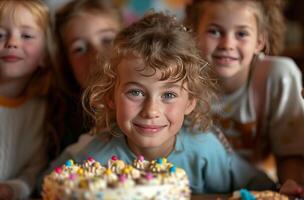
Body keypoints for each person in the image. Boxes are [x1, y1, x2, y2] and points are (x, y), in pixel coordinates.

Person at [47, 11, 277, 194]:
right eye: (135, 93)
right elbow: (46, 185)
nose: (151, 111)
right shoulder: (94, 157)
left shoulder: (205, 151)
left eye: (168, 95)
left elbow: (260, 185)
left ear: (190, 102)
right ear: (110, 97)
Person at [185, 0, 304, 196]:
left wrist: (291, 187)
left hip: (257, 188)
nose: (227, 44)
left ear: (260, 42)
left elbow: (290, 153)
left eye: (241, 34)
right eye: (214, 31)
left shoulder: (277, 76)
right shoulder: (179, 77)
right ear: (193, 35)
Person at [46, 0, 123, 160]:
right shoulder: (61, 126)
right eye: (79, 48)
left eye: (107, 40)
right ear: (66, 65)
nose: (96, 54)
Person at [0, 0, 53, 199]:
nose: (12, 42)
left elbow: (34, 169)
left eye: (27, 36)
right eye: (0, 34)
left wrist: (13, 189)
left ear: (45, 55)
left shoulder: (39, 110)